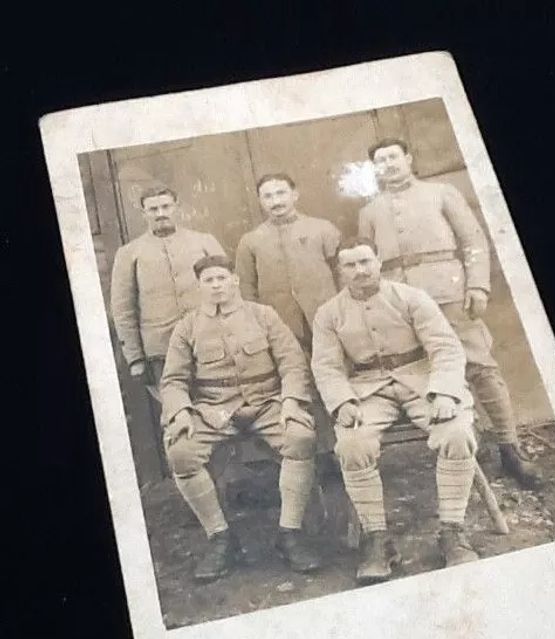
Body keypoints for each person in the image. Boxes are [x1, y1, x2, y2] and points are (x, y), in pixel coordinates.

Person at [359, 139, 542, 489]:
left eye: (394, 157)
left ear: (409, 159)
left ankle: (510, 449)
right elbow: (369, 262)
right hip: (402, 303)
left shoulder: (441, 192)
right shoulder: (369, 211)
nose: (389, 165)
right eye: (380, 161)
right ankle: (456, 451)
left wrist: (477, 286)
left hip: (448, 293)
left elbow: (473, 240)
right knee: (424, 372)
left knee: (481, 367)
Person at [311, 238, 480, 586]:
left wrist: (446, 391)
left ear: (379, 261)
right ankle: (377, 540)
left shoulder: (411, 297)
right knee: (352, 445)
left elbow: (445, 348)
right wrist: (341, 402)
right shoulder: (329, 313)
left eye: (365, 262)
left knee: (457, 433)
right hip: (368, 388)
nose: (359, 271)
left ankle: (452, 531)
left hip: (423, 380)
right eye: (350, 265)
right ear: (339, 271)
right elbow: (326, 366)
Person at [160, 254, 321, 582]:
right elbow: (173, 380)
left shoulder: (264, 316)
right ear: (199, 286)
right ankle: (220, 538)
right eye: (209, 281)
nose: (217, 285)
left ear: (234, 280)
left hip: (267, 403)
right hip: (215, 409)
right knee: (181, 452)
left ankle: (289, 533)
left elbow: (292, 363)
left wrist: (291, 402)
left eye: (222, 278)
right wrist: (179, 411)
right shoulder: (187, 326)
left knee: (301, 438)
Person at [110, 185, 226, 392]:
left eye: (166, 207)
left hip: (211, 340)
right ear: (143, 213)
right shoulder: (129, 254)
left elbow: (229, 291)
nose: (161, 214)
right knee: (177, 411)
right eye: (153, 209)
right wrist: (135, 358)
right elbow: (123, 310)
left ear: (176, 207)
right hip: (161, 352)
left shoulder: (204, 241)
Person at [235, 173, 341, 351]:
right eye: (267, 196)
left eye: (281, 193)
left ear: (295, 194)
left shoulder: (323, 229)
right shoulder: (250, 241)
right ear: (260, 201)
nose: (275, 201)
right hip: (281, 324)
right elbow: (246, 288)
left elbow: (342, 274)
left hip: (327, 318)